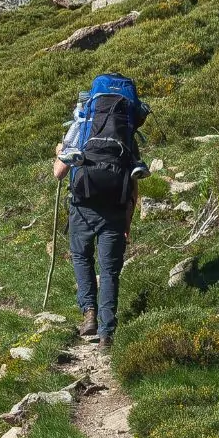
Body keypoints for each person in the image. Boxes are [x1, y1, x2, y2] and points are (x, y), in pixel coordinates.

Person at [53, 75, 147, 349]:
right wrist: (128, 218)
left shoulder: (80, 127)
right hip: (116, 207)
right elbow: (133, 179)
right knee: (109, 270)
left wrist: (60, 151)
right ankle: (107, 332)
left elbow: (59, 173)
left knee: (82, 258)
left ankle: (89, 314)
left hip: (83, 206)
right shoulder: (126, 132)